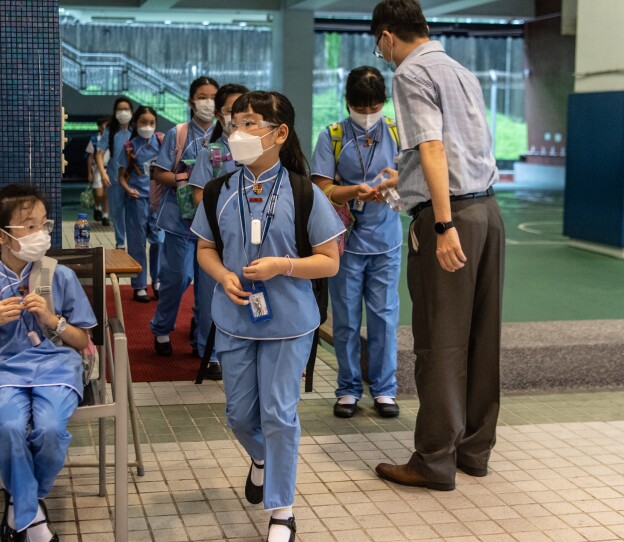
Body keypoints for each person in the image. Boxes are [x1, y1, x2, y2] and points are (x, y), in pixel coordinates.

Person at [191, 91, 344, 542]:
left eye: (252, 123)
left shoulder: (304, 192)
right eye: (236, 123)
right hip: (235, 317)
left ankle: (282, 510)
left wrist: (284, 266)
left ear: (280, 133)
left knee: (279, 414)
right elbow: (204, 248)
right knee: (240, 417)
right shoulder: (220, 190)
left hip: (289, 323)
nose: (239, 133)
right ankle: (261, 458)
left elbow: (329, 261)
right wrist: (222, 275)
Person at [370, 0, 505, 491]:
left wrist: (443, 226)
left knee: (441, 341)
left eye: (378, 44)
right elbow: (462, 147)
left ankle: (433, 460)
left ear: (387, 37)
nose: (381, 54)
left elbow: (432, 147)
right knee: (480, 336)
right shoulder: (459, 69)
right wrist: (405, 183)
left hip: (452, 218)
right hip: (488, 212)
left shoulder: (409, 73)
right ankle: (474, 450)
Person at [0, 184, 97, 541]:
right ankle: (31, 514)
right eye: (30, 226)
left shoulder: (58, 276)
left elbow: (83, 341)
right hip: (3, 373)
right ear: (0, 235)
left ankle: (23, 505)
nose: (41, 234)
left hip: (57, 369)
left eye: (44, 225)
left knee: (49, 429)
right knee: (7, 428)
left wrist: (53, 321)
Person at [311, 66, 402, 419]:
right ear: (347, 102)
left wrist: (394, 183)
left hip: (386, 241)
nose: (367, 115)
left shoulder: (397, 132)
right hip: (344, 243)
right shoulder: (331, 136)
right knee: (346, 320)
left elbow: (414, 175)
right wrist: (354, 191)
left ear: (384, 102)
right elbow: (320, 188)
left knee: (384, 317)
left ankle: (384, 389)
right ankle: (348, 388)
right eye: (360, 107)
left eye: (374, 107)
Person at [150, 76, 219, 357]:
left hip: (212, 226)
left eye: (213, 97)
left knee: (208, 287)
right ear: (192, 101)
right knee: (177, 278)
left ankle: (204, 345)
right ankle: (162, 327)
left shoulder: (224, 137)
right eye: (203, 97)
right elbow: (158, 172)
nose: (208, 103)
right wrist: (186, 179)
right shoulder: (177, 134)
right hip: (180, 222)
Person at [189, 83, 249, 380]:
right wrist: (225, 213)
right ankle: (209, 352)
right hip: (217, 235)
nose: (236, 119)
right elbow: (199, 194)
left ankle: (242, 347)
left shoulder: (257, 150)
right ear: (221, 115)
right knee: (210, 293)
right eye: (230, 112)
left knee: (244, 291)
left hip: (251, 238)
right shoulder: (212, 152)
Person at [118, 106, 164, 303]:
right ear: (136, 123)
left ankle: (158, 281)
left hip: (158, 200)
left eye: (151, 123)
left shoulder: (161, 142)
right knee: (137, 244)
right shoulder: (130, 147)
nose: (147, 126)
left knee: (159, 241)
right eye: (143, 123)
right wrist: (128, 189)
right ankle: (138, 286)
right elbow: (121, 176)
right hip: (137, 201)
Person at [96, 98, 135, 249]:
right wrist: (103, 174)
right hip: (114, 179)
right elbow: (99, 154)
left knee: (134, 212)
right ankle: (120, 242)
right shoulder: (110, 133)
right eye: (120, 109)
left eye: (126, 109)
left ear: (132, 112)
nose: (123, 113)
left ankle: (133, 241)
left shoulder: (135, 132)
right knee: (117, 212)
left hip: (133, 180)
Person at [85, 116, 110, 225]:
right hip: (98, 170)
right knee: (99, 194)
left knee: (107, 194)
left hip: (110, 169)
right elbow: (90, 156)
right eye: (104, 124)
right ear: (100, 126)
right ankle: (97, 207)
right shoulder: (94, 139)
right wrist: (89, 172)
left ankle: (105, 216)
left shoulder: (113, 138)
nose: (106, 126)